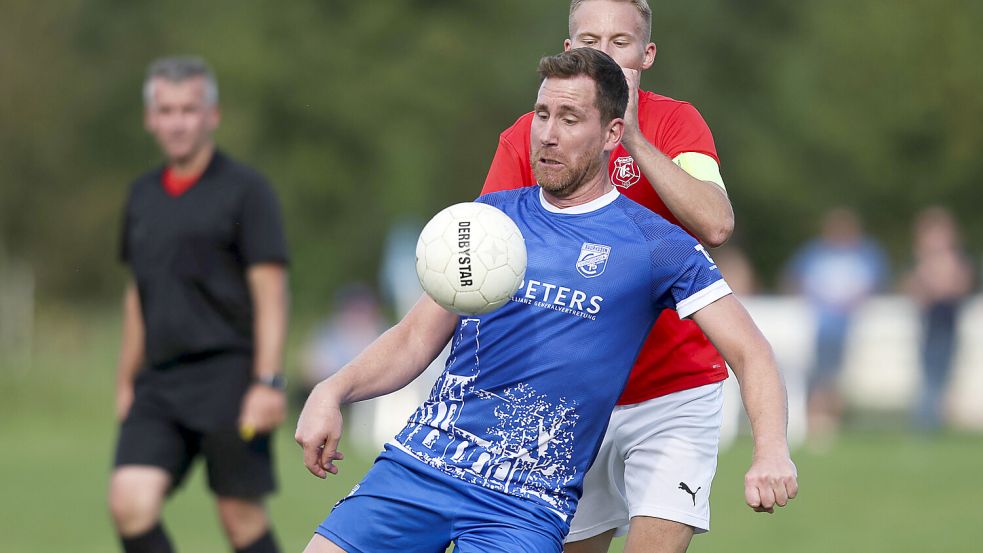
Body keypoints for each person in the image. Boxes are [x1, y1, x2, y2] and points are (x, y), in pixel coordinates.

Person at [296, 48, 796, 553]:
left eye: (570, 118)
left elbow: (750, 352)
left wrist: (771, 451)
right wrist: (331, 391)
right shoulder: (487, 218)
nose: (547, 134)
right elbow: (412, 339)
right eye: (542, 115)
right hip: (421, 468)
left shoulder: (657, 245)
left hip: (524, 505)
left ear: (611, 135)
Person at [482, 1, 760, 551]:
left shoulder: (677, 122)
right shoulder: (531, 135)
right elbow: (489, 252)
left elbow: (716, 221)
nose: (603, 55)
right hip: (573, 396)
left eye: (620, 42)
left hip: (673, 388)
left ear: (647, 54)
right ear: (569, 51)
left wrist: (630, 136)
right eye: (590, 40)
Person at [108, 56, 289, 553]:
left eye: (189, 109)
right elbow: (137, 293)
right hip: (160, 383)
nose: (177, 121)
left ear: (212, 115)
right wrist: (127, 379)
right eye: (166, 110)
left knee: (240, 519)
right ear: (150, 118)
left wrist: (267, 382)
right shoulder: (141, 195)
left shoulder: (246, 192)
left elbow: (270, 292)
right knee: (129, 501)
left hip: (230, 377)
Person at [784, 207, 888, 447]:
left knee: (832, 377)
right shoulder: (815, 253)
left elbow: (875, 284)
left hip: (850, 328)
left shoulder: (865, 253)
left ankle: (829, 423)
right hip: (817, 327)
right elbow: (793, 278)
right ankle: (819, 424)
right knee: (820, 375)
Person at [904, 206, 974, 432]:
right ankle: (926, 421)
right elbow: (917, 292)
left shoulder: (955, 261)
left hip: (947, 324)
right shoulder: (923, 263)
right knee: (929, 373)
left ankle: (933, 420)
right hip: (929, 325)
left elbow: (959, 287)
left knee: (941, 374)